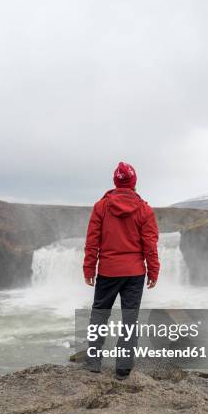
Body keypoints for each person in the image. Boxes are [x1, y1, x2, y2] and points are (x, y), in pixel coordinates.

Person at [83, 162, 160, 379]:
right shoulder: (144, 210)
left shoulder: (101, 207)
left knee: (99, 314)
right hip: (135, 274)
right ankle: (123, 369)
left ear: (116, 181)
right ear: (133, 182)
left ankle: (93, 363)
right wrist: (153, 271)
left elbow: (92, 241)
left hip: (107, 271)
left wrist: (89, 267)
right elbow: (150, 245)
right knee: (129, 319)